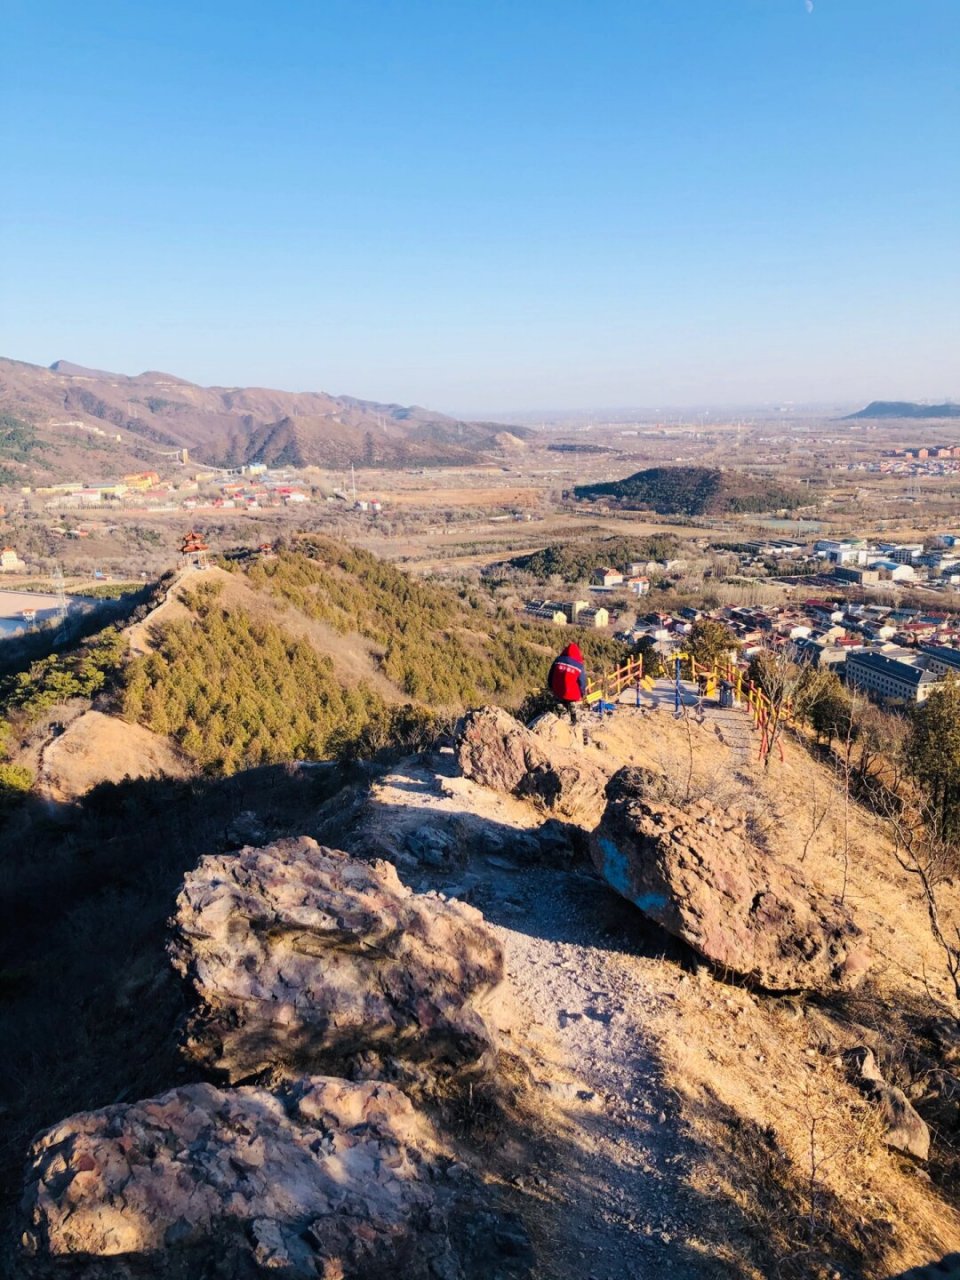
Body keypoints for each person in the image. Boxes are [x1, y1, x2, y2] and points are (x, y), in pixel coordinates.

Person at [548, 641, 588, 725]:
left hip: (558, 690)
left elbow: (550, 675)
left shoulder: (557, 660)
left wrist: (551, 687)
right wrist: (582, 693)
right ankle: (573, 718)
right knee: (572, 691)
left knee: (559, 697)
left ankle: (561, 711)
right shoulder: (579, 666)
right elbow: (582, 682)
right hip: (572, 693)